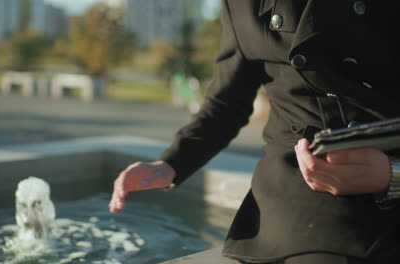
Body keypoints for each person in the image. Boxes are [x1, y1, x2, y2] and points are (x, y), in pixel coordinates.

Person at [109, 0, 400, 263]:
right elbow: (227, 101)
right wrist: (171, 163)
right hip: (289, 193)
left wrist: (393, 174)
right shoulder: (241, 4)